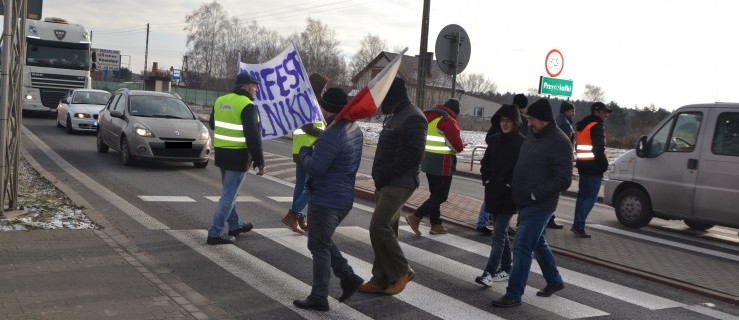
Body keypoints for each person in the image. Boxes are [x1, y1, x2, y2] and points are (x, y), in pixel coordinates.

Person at [491, 98, 572, 307]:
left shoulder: (560, 142)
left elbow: (564, 179)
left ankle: (514, 294)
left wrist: (537, 193)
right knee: (538, 243)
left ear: (543, 120)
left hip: (540, 204)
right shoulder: (533, 135)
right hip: (524, 200)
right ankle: (554, 281)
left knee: (522, 246)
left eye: (532, 119)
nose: (529, 123)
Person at [292, 88, 365, 312]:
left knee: (318, 245)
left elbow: (317, 167)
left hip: (326, 198)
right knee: (320, 239)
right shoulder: (353, 128)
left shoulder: (332, 134)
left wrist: (304, 153)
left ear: (324, 108)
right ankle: (348, 276)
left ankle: (319, 296)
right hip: (343, 196)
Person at [360, 77, 427, 296]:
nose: (380, 103)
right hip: (387, 181)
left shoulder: (414, 117)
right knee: (388, 229)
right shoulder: (396, 116)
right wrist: (380, 178)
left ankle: (401, 271)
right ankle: (381, 278)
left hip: (399, 182)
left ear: (393, 96)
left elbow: (413, 154)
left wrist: (386, 174)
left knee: (379, 227)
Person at [206, 73, 266, 245]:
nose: (256, 89)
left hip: (222, 152)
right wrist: (260, 161)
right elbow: (253, 136)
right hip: (238, 155)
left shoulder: (221, 100)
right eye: (254, 86)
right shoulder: (247, 105)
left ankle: (234, 225)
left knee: (229, 192)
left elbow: (212, 124)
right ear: (246, 87)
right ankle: (215, 233)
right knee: (229, 196)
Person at [475, 104, 525, 286]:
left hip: (509, 196)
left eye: (509, 121)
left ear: (515, 123)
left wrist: (510, 184)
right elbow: (485, 163)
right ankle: (507, 268)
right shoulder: (495, 140)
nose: (505, 124)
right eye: (502, 120)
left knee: (497, 235)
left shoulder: (521, 142)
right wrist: (486, 179)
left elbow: (522, 169)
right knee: (501, 233)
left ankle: (488, 273)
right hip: (493, 193)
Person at [405, 98, 464, 235]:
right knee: (441, 195)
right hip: (443, 162)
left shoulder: (429, 117)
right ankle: (416, 216)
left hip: (427, 160)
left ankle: (436, 224)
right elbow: (456, 146)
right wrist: (460, 147)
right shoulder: (447, 120)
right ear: (455, 111)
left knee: (435, 194)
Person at [281, 73, 329, 235]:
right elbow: (308, 127)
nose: (325, 91)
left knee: (301, 186)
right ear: (317, 86)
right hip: (309, 150)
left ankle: (299, 218)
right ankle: (293, 214)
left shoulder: (307, 100)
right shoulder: (308, 102)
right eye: (323, 88)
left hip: (301, 149)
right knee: (312, 186)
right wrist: (325, 134)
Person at [571, 102, 612, 238]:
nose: (606, 115)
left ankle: (577, 224)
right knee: (590, 198)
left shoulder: (583, 126)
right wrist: (604, 165)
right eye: (604, 112)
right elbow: (598, 148)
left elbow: (578, 147)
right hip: (594, 168)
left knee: (582, 197)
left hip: (583, 166)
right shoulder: (597, 126)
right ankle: (579, 225)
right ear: (597, 111)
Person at [547, 100, 577, 230]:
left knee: (552, 191)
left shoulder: (560, 121)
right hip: (559, 163)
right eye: (572, 111)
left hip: (556, 161)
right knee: (553, 191)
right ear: (565, 111)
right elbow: (566, 146)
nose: (574, 113)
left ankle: (549, 217)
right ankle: (549, 218)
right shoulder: (564, 124)